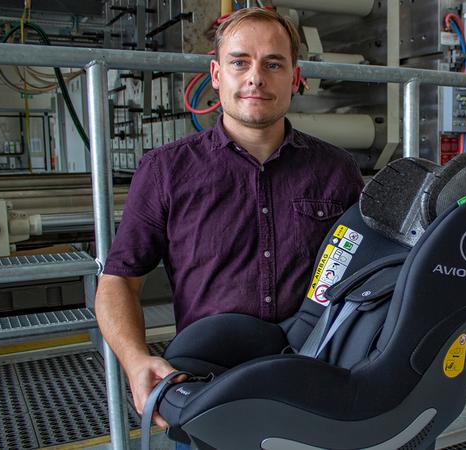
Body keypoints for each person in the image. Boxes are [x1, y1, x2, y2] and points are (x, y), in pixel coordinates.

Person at [95, 7, 364, 428]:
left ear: (295, 77)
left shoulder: (337, 170)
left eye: (273, 64)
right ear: (217, 74)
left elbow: (367, 277)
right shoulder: (166, 170)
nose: (256, 76)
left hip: (313, 383)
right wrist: (135, 360)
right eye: (240, 62)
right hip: (209, 386)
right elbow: (117, 282)